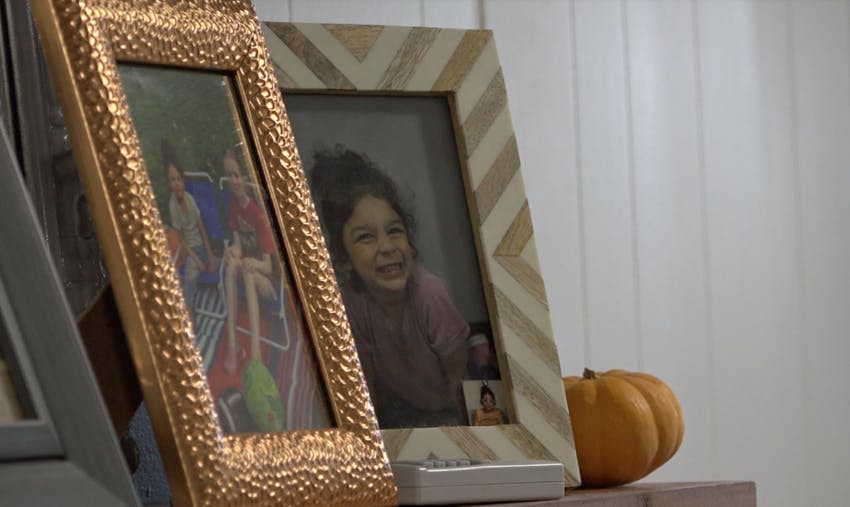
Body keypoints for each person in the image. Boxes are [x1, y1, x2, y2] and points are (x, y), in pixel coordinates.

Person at [310, 145, 469, 429]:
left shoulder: (430, 296)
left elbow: (461, 386)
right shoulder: (354, 305)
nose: (386, 247)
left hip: (449, 412)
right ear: (344, 259)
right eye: (366, 237)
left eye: (394, 231)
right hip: (402, 411)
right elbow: (364, 394)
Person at [221, 149, 279, 375]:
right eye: (229, 175)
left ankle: (255, 354)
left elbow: (269, 266)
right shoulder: (233, 207)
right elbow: (237, 244)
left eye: (237, 175)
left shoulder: (257, 215)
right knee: (232, 264)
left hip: (267, 283)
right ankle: (234, 345)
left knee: (245, 269)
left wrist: (253, 263)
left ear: (245, 177)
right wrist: (231, 251)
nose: (234, 181)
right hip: (248, 271)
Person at [162, 139, 216, 311]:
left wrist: (210, 254)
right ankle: (190, 310)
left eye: (178, 179)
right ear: (169, 184)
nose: (176, 183)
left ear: (183, 181)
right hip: (190, 250)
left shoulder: (189, 199)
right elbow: (182, 240)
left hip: (201, 246)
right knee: (190, 276)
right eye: (172, 180)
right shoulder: (173, 205)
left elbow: (201, 227)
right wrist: (197, 260)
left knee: (216, 264)